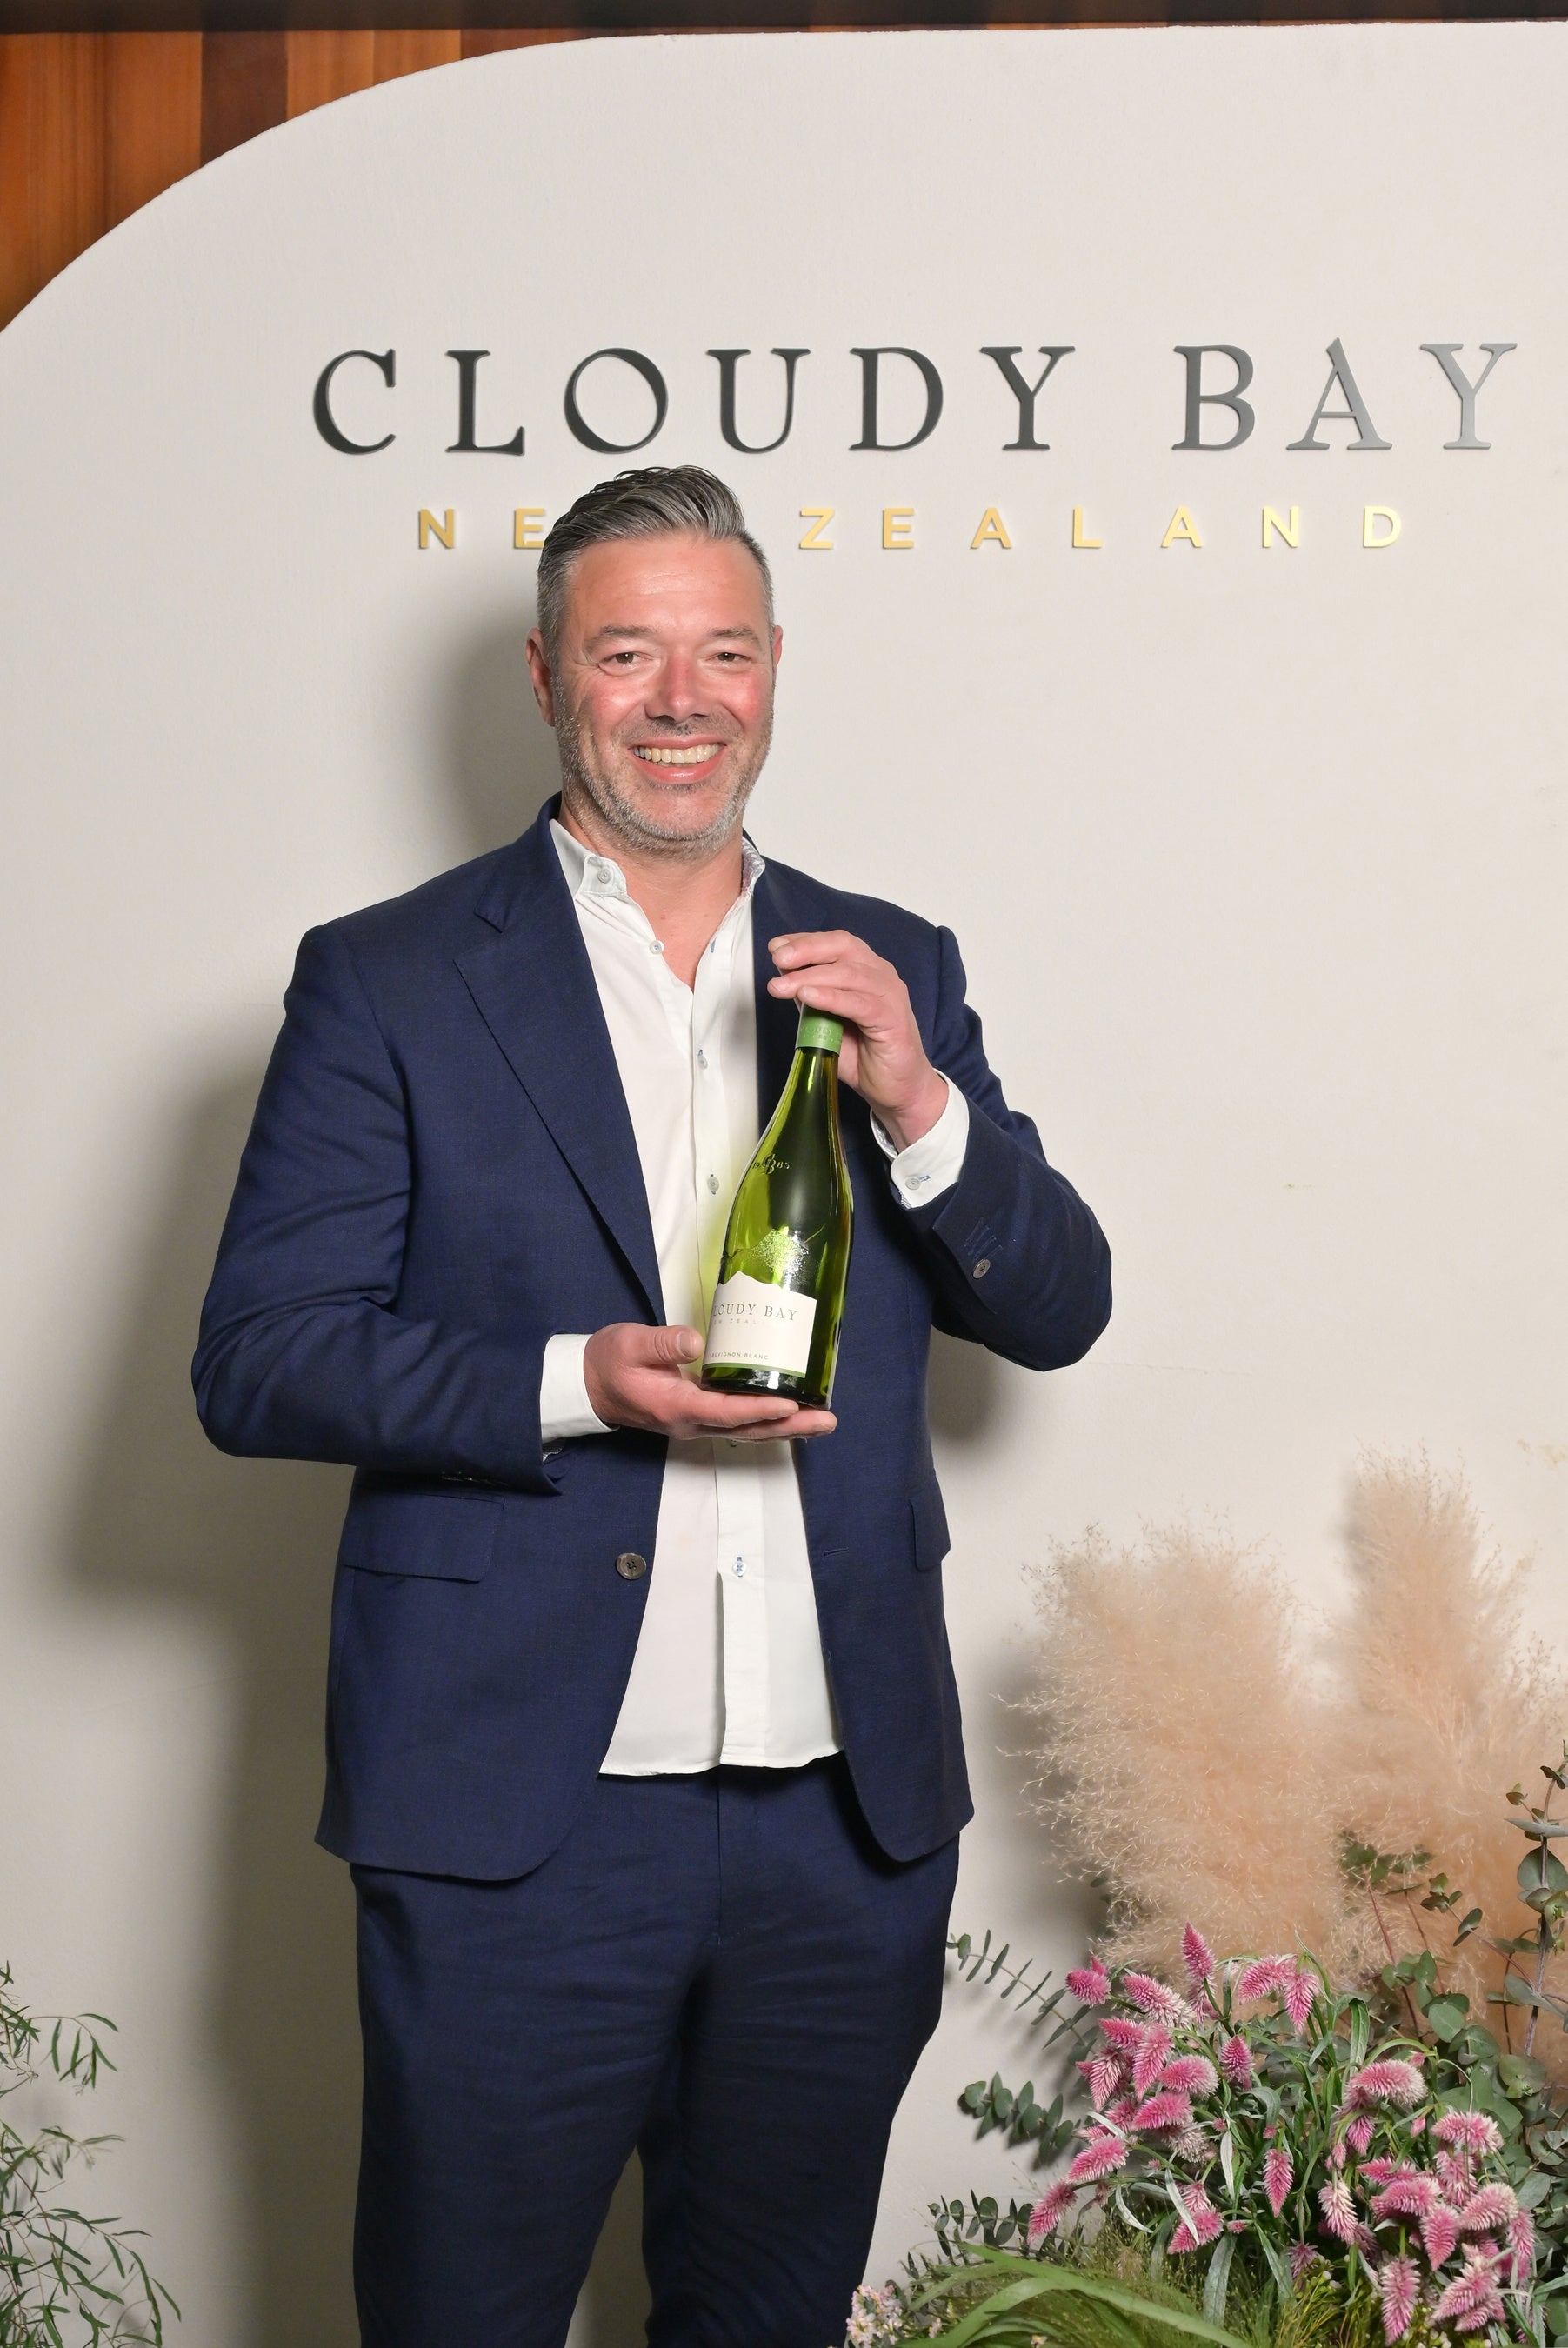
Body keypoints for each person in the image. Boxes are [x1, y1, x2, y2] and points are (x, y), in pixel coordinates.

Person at [193, 464, 1111, 2348]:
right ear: (550, 677)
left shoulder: (891, 966)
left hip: (837, 1829)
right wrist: (573, 1384)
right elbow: (259, 1354)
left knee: (769, 2320)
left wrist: (922, 1104)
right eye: (628, 655)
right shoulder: (388, 979)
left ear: (773, 670)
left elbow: (1059, 1309)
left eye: (723, 653)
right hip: (516, 1823)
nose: (682, 701)